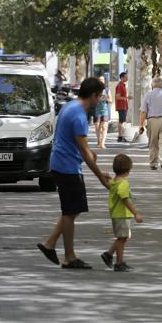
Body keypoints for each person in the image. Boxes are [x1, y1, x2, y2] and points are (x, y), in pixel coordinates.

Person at [37, 77, 111, 270]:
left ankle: (50, 244)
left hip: (61, 163)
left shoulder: (70, 106)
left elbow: (80, 146)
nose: (100, 100)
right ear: (93, 95)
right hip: (67, 167)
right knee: (70, 211)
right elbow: (85, 152)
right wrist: (103, 179)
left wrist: (91, 155)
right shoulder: (79, 115)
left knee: (72, 209)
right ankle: (68, 256)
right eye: (100, 96)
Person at [100, 154, 143, 272]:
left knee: (122, 237)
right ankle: (118, 263)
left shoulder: (114, 182)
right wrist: (136, 213)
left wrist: (107, 179)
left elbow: (110, 185)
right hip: (122, 214)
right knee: (122, 238)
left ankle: (108, 255)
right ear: (128, 170)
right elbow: (125, 199)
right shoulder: (123, 183)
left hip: (116, 214)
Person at [139, 76, 162, 170]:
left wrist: (141, 124)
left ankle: (153, 163)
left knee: (153, 143)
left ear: (152, 85)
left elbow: (143, 111)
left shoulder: (148, 95)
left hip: (153, 121)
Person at [94, 76, 112, 149]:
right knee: (97, 127)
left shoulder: (107, 90)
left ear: (104, 81)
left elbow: (111, 100)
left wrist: (106, 98)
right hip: (97, 110)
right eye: (100, 80)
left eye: (102, 80)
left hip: (105, 110)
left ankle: (103, 143)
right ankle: (98, 141)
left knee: (104, 127)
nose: (101, 81)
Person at [115, 72, 130, 142]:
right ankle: (120, 136)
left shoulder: (123, 85)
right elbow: (117, 97)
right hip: (121, 106)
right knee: (121, 121)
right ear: (121, 78)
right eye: (126, 77)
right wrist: (126, 97)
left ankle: (121, 136)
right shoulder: (120, 86)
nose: (127, 78)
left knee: (122, 121)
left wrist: (126, 97)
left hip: (124, 106)